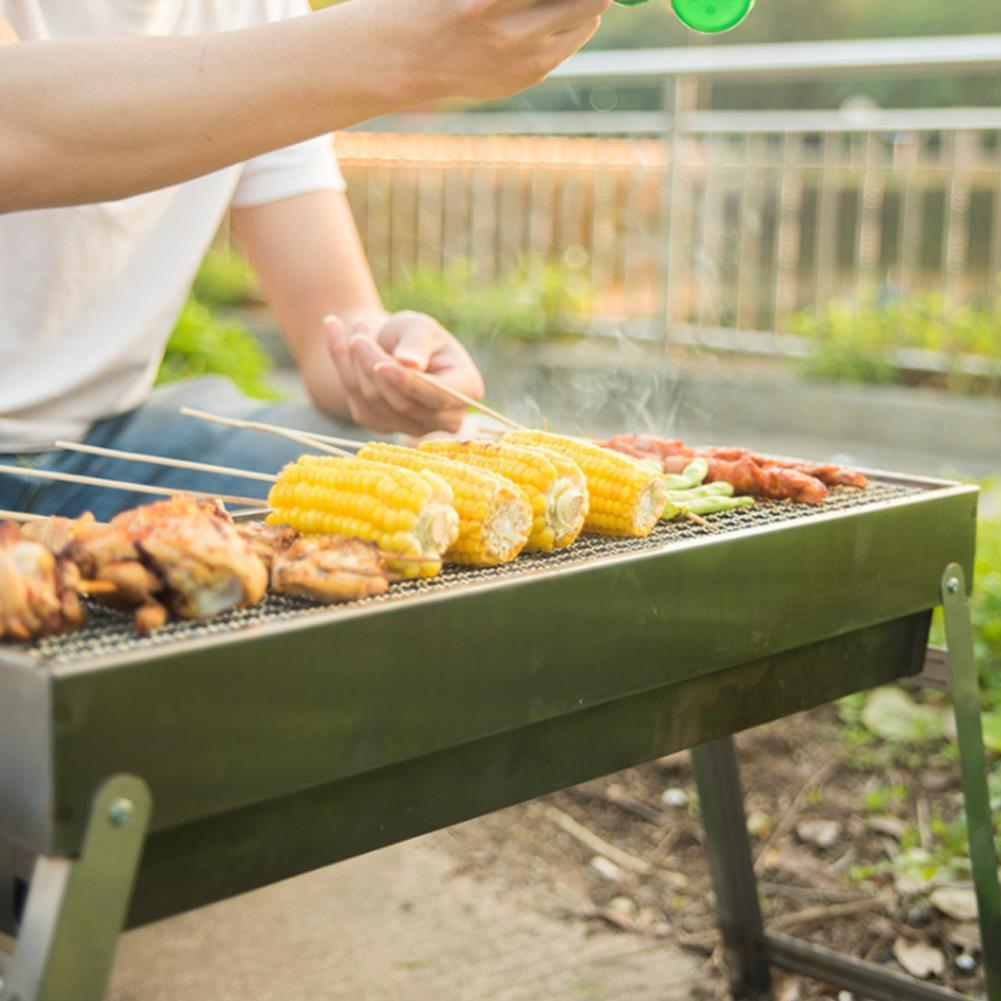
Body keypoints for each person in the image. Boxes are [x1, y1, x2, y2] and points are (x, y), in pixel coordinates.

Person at [0, 0, 610, 520]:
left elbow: (333, 326)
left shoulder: (259, 9)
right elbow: (17, 129)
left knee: (433, 498)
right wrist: (401, 47)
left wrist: (389, 359)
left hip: (110, 439)